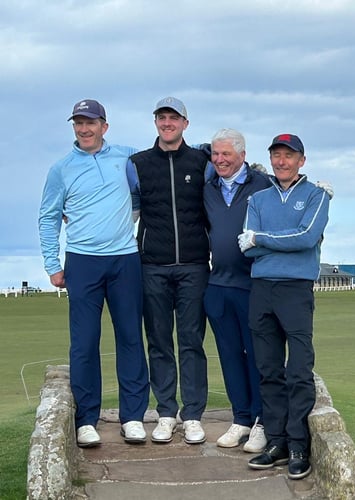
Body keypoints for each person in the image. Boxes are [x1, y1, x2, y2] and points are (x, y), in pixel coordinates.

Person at [38, 99, 150, 446]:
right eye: (78, 123)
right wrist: (52, 265)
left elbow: (159, 174)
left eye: (91, 122)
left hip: (125, 260)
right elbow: (48, 217)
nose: (84, 129)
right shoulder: (62, 169)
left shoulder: (127, 158)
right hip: (82, 261)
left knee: (131, 337)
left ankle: (133, 417)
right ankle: (87, 418)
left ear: (105, 126)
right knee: (84, 342)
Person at [240, 133, 330, 480]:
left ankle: (297, 445)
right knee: (268, 369)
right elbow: (244, 249)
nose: (281, 161)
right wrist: (280, 244)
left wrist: (262, 239)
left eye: (288, 156)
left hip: (295, 290)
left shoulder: (317, 195)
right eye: (276, 155)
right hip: (261, 288)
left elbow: (307, 237)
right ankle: (275, 441)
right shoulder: (259, 199)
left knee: (298, 370)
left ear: (301, 161)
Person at [128, 97, 210, 444]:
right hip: (153, 266)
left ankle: (192, 415)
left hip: (193, 266)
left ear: (185, 124)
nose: (167, 123)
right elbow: (127, 208)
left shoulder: (202, 161)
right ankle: (165, 413)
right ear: (156, 123)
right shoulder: (138, 164)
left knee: (191, 342)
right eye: (162, 118)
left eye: (173, 118)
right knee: (159, 342)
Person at [204, 129, 271, 452]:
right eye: (215, 154)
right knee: (229, 356)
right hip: (217, 286)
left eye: (226, 154)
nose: (220, 160)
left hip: (252, 286)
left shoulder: (262, 184)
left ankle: (262, 421)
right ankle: (241, 418)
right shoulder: (209, 188)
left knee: (256, 355)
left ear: (242, 156)